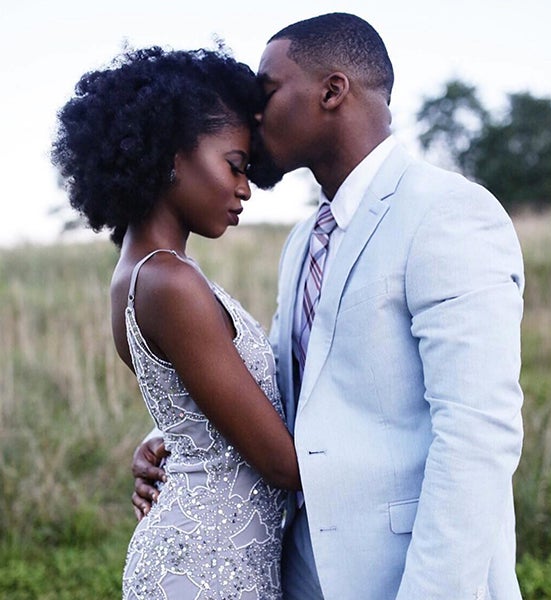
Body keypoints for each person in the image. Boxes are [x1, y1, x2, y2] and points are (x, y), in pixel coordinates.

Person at [132, 13, 525, 600]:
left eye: (267, 92)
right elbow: (289, 388)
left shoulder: (446, 212)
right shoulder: (303, 241)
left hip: (406, 577)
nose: (254, 114)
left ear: (332, 91)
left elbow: (477, 432)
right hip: (300, 572)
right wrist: (183, 433)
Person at [52, 45, 301, 599]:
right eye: (235, 165)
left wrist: (164, 437)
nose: (245, 188)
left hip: (213, 558)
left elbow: (194, 409)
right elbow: (284, 465)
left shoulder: (144, 272)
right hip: (203, 570)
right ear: (171, 155)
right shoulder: (169, 281)